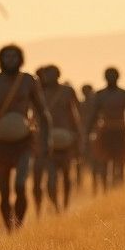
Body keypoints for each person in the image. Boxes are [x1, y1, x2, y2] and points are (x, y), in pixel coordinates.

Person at [0, 45, 46, 231]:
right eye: (6, 56)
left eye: (14, 56)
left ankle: (19, 227)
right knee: (4, 192)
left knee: (20, 184)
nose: (10, 60)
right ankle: (9, 230)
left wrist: (47, 138)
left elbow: (42, 111)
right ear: (1, 59)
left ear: (20, 59)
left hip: (24, 141)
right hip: (1, 142)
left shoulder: (29, 80)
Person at [35, 65, 83, 212]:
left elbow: (75, 114)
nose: (48, 77)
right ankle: (56, 206)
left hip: (66, 139)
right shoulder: (38, 92)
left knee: (67, 175)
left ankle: (66, 204)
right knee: (51, 178)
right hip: (46, 140)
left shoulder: (67, 92)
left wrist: (77, 135)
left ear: (58, 75)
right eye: (46, 74)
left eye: (51, 74)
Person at [84, 67, 125, 189]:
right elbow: (93, 116)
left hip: (120, 132)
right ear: (105, 77)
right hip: (105, 132)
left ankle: (119, 190)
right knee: (104, 163)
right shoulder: (99, 95)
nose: (111, 78)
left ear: (118, 77)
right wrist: (87, 135)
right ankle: (105, 191)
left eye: (113, 76)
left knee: (120, 164)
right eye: (109, 76)